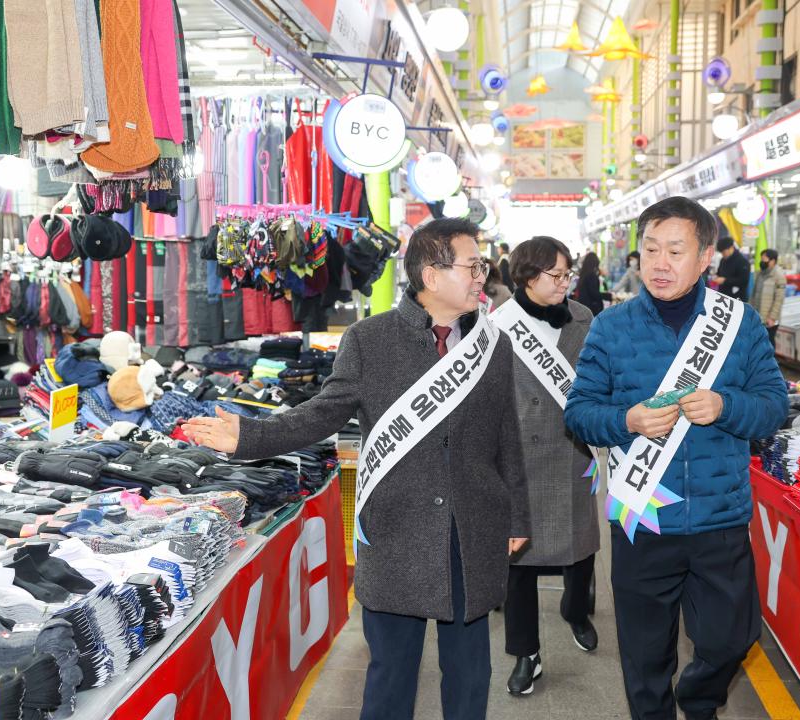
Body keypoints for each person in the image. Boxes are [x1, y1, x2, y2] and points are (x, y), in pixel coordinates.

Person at [182, 217, 531, 720]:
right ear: (432, 275)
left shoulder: (493, 345)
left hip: (472, 528)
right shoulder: (370, 339)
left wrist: (516, 516)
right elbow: (323, 412)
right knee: (391, 673)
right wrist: (249, 436)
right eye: (472, 266)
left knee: (471, 672)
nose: (482, 276)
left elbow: (506, 437)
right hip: (395, 531)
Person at [564, 196, 788, 720]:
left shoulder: (741, 323)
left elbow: (773, 408)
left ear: (705, 256)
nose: (659, 263)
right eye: (650, 249)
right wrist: (627, 421)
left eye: (675, 250)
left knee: (732, 639)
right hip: (643, 519)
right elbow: (579, 414)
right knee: (644, 656)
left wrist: (725, 405)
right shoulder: (611, 326)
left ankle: (698, 700)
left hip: (719, 517)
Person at [495, 236, 598, 696]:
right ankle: (526, 653)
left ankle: (577, 612)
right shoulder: (497, 326)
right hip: (519, 458)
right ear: (526, 277)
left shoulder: (583, 318)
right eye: (555, 276)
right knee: (518, 565)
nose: (564, 283)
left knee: (580, 549)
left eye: (567, 274)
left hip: (572, 450)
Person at [750, 248, 786, 349]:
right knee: (757, 343)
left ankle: (770, 364)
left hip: (769, 318)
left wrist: (772, 317)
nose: (762, 262)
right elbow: (754, 294)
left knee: (768, 344)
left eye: (764, 259)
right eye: (761, 259)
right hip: (757, 315)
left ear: (773, 261)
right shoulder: (759, 274)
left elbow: (779, 300)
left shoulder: (779, 276)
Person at [714, 236, 750, 301]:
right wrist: (716, 276)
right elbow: (719, 272)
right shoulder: (723, 260)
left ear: (731, 248)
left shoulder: (742, 261)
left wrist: (725, 281)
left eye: (724, 252)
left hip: (737, 298)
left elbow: (744, 281)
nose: (722, 254)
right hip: (723, 297)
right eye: (721, 252)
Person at [573, 251, 606, 316]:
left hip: (583, 307)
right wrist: (609, 296)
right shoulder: (591, 275)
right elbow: (594, 293)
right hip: (591, 309)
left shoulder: (584, 274)